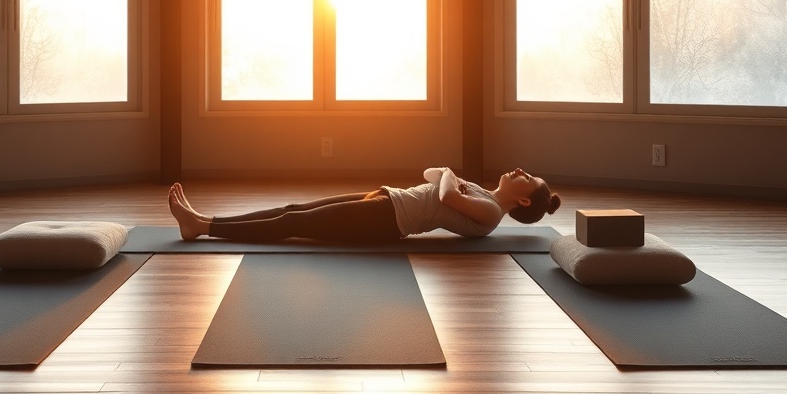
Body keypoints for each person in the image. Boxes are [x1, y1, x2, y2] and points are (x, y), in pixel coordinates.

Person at [168, 167, 561, 243]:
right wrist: (444, 171)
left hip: (387, 220)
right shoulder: (480, 189)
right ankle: (206, 219)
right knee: (292, 208)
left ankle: (201, 228)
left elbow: (444, 194)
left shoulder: (491, 213)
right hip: (385, 199)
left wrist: (448, 171)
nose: (519, 170)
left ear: (523, 199)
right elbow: (429, 174)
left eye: (527, 177)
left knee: (292, 224)